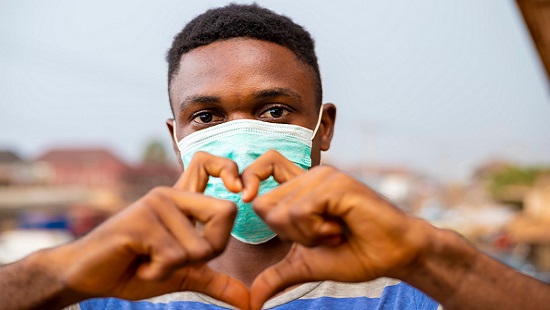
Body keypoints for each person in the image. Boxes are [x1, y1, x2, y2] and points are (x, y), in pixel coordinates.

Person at [1, 3, 549, 310]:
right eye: (207, 117)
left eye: (274, 111)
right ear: (177, 139)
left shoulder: (404, 289)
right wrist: (59, 270)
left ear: (322, 127)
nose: (243, 143)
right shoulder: (112, 288)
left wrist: (431, 256)